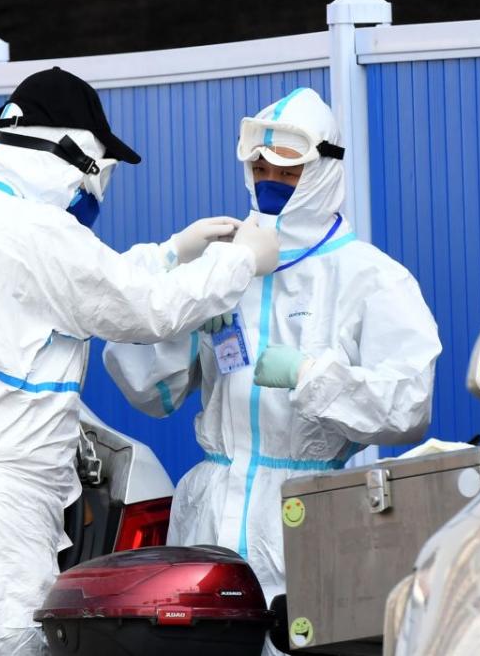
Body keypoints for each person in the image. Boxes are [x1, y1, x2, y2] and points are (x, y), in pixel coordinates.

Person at [0, 67, 280, 655]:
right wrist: (239, 261)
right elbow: (146, 311)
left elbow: (77, 288)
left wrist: (171, 252)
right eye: (104, 170)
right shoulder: (33, 229)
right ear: (75, 155)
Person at [103, 87, 442, 655]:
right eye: (258, 166)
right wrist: (182, 309)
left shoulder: (369, 278)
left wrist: (311, 374)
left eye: (285, 170)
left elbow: (409, 403)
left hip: (305, 518)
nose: (268, 180)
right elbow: (149, 391)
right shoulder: (228, 261)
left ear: (323, 170)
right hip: (210, 516)